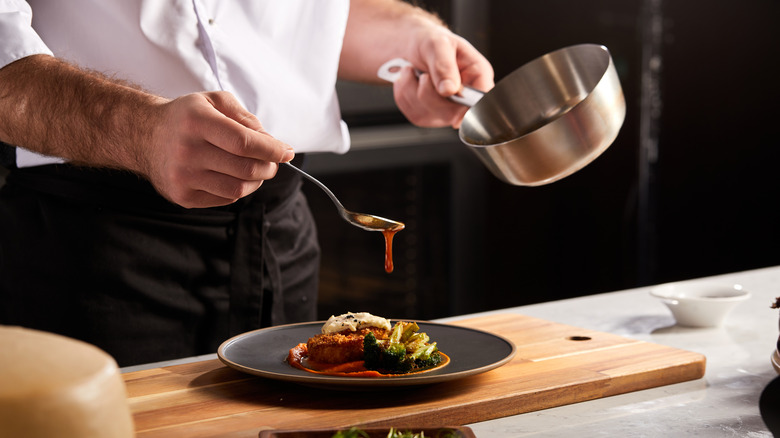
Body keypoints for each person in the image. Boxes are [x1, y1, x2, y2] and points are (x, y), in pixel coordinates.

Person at [0, 0, 494, 366]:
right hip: (90, 244)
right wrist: (139, 131)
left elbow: (309, 17)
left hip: (283, 232)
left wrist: (409, 37)